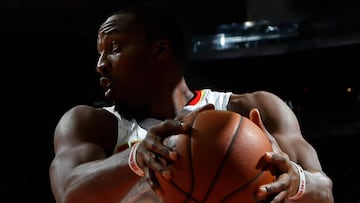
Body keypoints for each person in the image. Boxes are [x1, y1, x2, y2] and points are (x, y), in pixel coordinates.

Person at [49, 3, 334, 203]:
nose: (100, 65)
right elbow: (68, 193)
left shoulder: (251, 110)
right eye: (99, 54)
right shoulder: (93, 125)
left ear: (160, 51)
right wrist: (135, 158)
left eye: (114, 48)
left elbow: (324, 192)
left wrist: (299, 183)